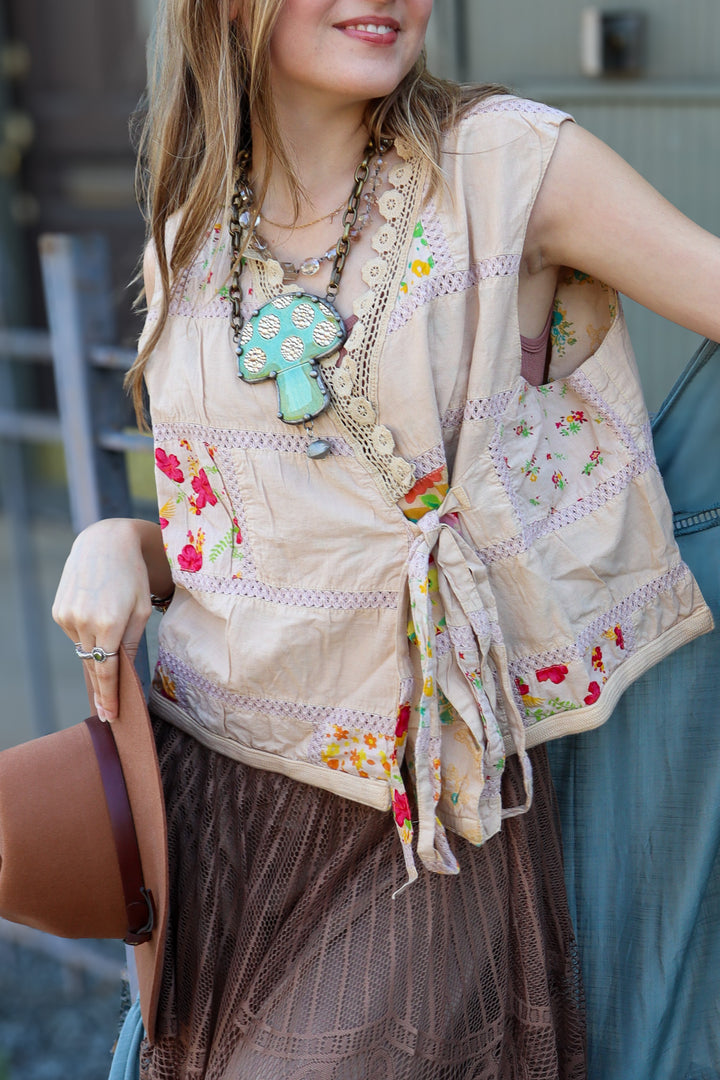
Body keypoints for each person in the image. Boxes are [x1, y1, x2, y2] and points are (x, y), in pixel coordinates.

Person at [52, 2, 719, 1077]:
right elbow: (258, 545)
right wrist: (123, 545)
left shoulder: (505, 165)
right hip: (213, 807)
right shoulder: (190, 232)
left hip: (421, 831)